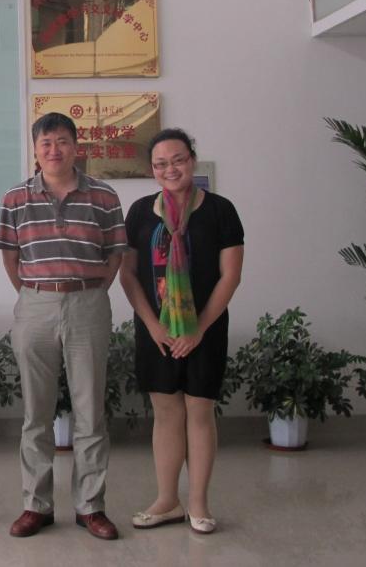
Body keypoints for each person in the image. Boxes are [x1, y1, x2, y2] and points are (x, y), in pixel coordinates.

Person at [0, 112, 127, 540]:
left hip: (88, 303)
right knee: (36, 413)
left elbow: (114, 254)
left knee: (90, 412)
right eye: (46, 143)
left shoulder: (103, 195)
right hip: (35, 305)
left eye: (62, 141)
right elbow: (10, 257)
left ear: (76, 146)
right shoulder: (16, 198)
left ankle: (91, 506)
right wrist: (36, 292)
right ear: (35, 149)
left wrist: (90, 290)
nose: (54, 150)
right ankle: (36, 505)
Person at [119, 128, 243, 535]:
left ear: (192, 160)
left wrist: (198, 329)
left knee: (199, 412)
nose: (170, 169)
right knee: (166, 414)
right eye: (160, 164)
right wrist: (154, 325)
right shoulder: (140, 212)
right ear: (151, 169)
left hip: (205, 330)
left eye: (177, 160)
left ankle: (198, 503)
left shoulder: (220, 210)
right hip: (156, 331)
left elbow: (230, 276)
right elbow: (129, 275)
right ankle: (167, 500)